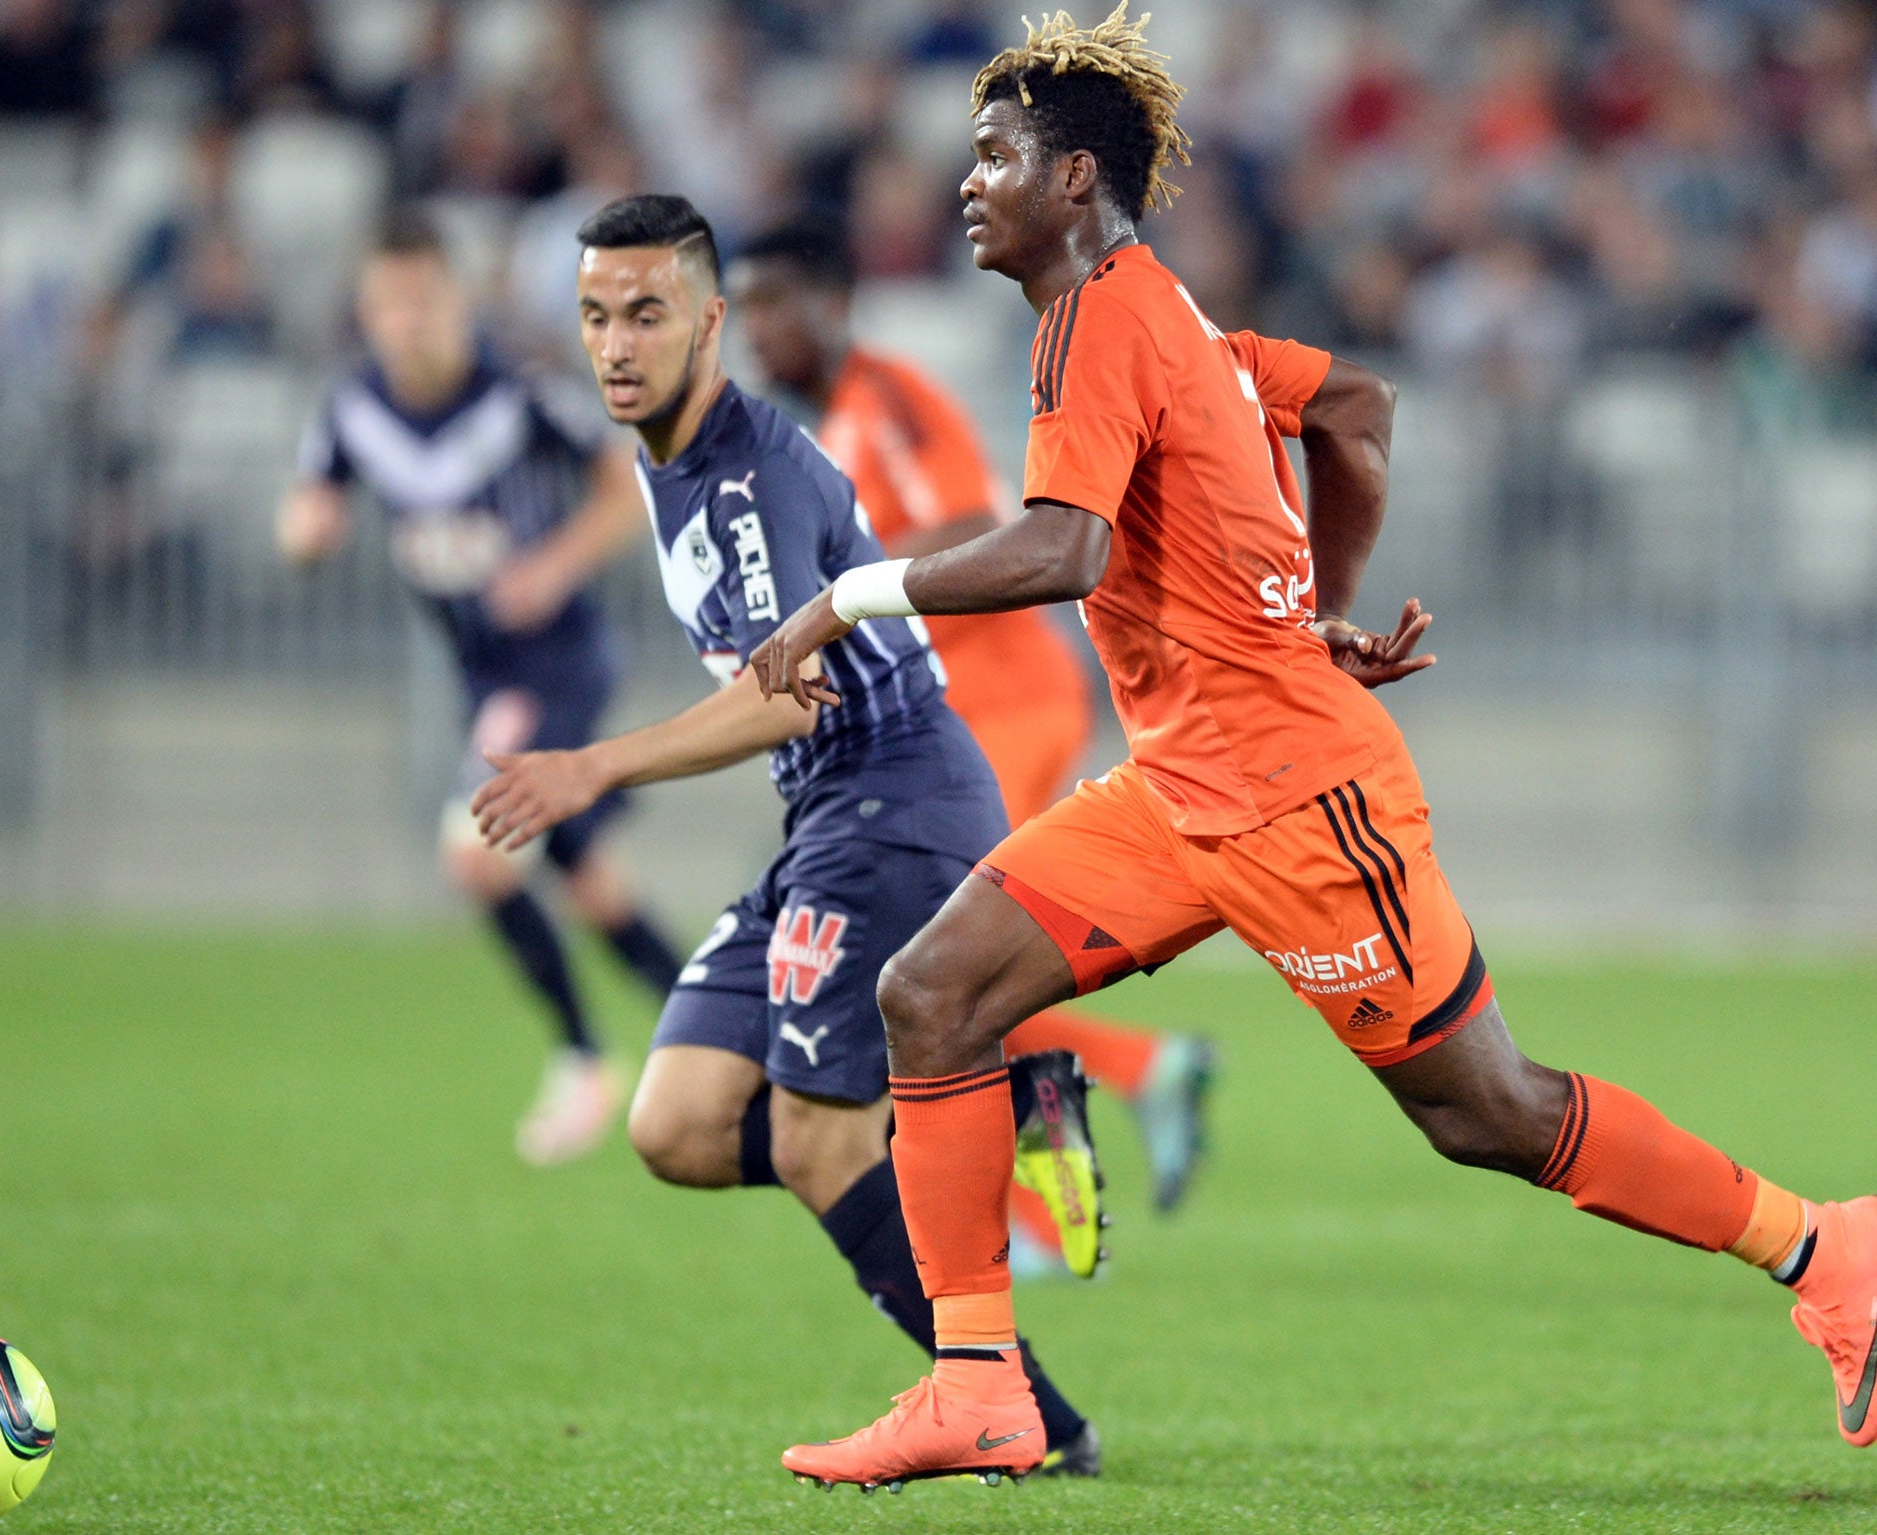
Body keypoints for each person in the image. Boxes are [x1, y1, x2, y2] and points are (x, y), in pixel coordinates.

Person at [753, 5, 1877, 1491]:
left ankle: (1828, 1246)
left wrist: (849, 594)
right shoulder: (1167, 317)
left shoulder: (1105, 321)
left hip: (1296, 794)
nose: (968, 181)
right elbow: (1352, 404)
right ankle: (978, 1384)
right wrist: (1309, 604)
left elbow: (1063, 548)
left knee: (1484, 1110)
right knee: (936, 993)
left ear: (1077, 179)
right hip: (1181, 782)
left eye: (996, 154)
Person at [469, 192, 1106, 1476]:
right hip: (828, 814)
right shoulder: (666, 462)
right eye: (594, 316)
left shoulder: (749, 477)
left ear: (711, 323)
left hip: (894, 798)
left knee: (816, 1135)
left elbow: (783, 690)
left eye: (645, 314)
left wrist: (591, 765)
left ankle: (1018, 1405)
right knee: (679, 1124)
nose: (615, 344)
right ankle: (973, 1106)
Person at [729, 215, 1218, 1279]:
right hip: (964, 716)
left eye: (771, 302)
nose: (755, 330)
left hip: (1001, 704)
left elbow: (966, 517)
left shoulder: (887, 399)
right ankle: (1140, 1072)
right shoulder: (835, 426)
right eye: (746, 306)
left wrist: (835, 598)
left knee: (945, 969)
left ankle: (1040, 1202)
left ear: (832, 302)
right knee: (930, 972)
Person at [279, 212, 682, 1165]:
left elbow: (626, 489)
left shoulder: (519, 393)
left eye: (423, 299)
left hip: (554, 663)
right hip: (482, 676)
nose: (406, 320)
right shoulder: (353, 410)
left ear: (455, 298)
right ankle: (733, 1035)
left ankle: (586, 1058)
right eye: (387, 304)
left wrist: (552, 566)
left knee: (475, 850)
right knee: (590, 884)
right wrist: (302, 534)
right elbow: (311, 504)